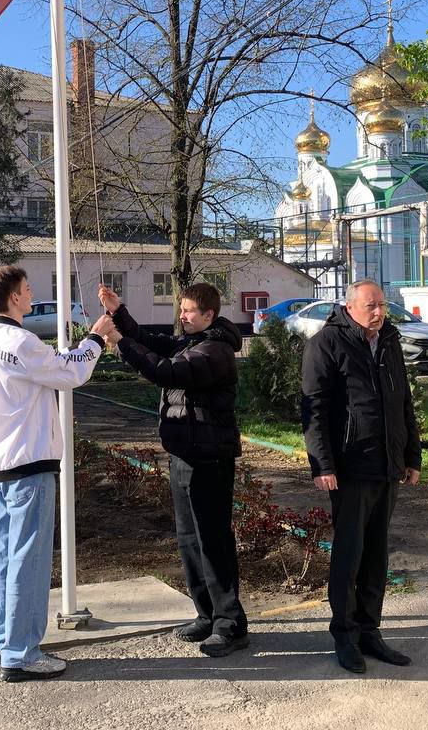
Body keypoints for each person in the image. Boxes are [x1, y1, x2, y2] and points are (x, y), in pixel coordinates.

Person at [0, 264, 114, 683]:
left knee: (6, 558)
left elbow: (50, 367)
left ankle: (7, 642)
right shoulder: (20, 341)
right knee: (29, 562)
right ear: (14, 297)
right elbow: (68, 372)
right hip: (27, 464)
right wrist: (96, 338)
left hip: (1, 464)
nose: (32, 294)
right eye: (27, 288)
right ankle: (21, 654)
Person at [97, 281, 249, 657]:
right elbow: (153, 343)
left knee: (213, 542)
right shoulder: (191, 342)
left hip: (209, 459)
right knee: (189, 541)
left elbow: (165, 371)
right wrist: (119, 313)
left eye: (188, 311)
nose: (182, 316)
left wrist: (119, 342)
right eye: (181, 310)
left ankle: (230, 624)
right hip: (183, 455)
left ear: (208, 315)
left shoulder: (214, 351)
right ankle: (207, 614)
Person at [301, 279, 422, 673]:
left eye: (382, 305)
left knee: (376, 556)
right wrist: (323, 464)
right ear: (350, 306)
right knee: (349, 556)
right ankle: (345, 635)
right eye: (371, 305)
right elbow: (314, 411)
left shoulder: (388, 342)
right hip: (351, 467)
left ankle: (370, 630)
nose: (379, 312)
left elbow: (403, 403)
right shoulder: (326, 344)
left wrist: (411, 455)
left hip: (387, 466)